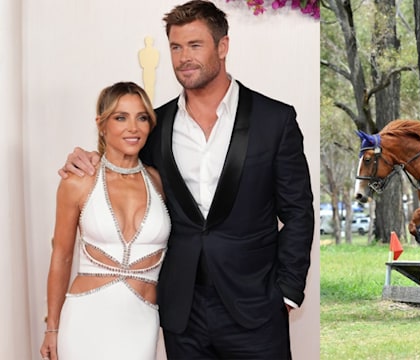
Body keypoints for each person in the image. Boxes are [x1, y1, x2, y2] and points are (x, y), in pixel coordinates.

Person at [59, 1, 315, 358]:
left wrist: (285, 293)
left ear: (222, 47)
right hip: (182, 313)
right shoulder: (156, 125)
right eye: (176, 47)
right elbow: (125, 167)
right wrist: (89, 157)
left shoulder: (275, 120)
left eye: (195, 46)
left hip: (256, 307)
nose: (183, 58)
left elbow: (299, 212)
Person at [40, 82, 170, 360]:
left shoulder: (158, 181)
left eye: (142, 117)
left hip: (141, 321)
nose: (133, 128)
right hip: (85, 319)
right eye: (120, 117)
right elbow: (61, 255)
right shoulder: (78, 180)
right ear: (101, 124)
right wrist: (52, 328)